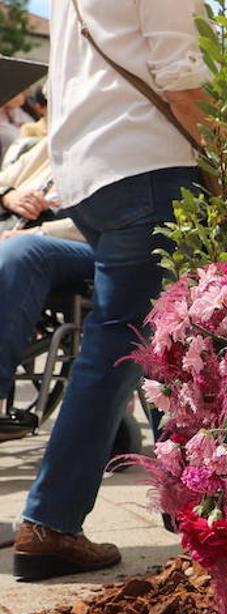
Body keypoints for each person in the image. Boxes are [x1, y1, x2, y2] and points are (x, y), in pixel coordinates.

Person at [11, 0, 209, 581]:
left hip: (91, 172)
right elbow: (181, 78)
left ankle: (188, 505)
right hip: (146, 166)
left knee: (150, 344)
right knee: (134, 347)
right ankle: (51, 523)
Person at [0, 138, 94, 440]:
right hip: (16, 234)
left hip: (78, 243)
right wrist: (9, 196)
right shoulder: (50, 140)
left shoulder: (115, 139)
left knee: (24, 250)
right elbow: (4, 180)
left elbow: (114, 220)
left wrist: (40, 232)